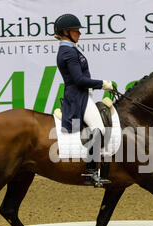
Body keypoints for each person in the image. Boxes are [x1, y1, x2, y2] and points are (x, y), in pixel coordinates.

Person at [54, 13, 113, 187]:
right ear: (66, 32)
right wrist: (102, 84)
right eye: (76, 31)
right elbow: (79, 80)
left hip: (82, 94)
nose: (79, 33)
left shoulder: (70, 49)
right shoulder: (68, 52)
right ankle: (90, 171)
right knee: (99, 129)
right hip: (78, 96)